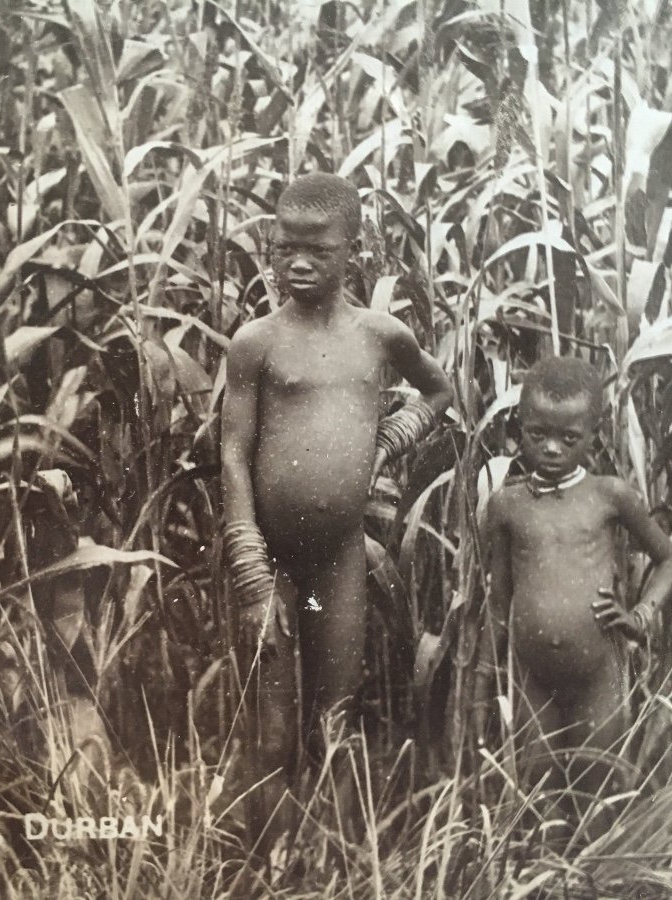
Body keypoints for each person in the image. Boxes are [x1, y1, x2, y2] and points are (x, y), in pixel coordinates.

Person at [219, 172, 453, 849]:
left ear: (354, 249)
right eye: (283, 246)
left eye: (316, 251)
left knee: (338, 719)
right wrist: (250, 572)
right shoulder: (256, 343)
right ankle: (265, 874)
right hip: (271, 560)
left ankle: (334, 871)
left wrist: (389, 440)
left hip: (342, 558)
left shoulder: (380, 336)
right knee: (272, 730)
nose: (296, 262)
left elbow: (438, 391)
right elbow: (233, 456)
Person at [472, 355, 672, 834]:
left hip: (597, 675)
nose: (550, 449)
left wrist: (642, 615)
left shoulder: (610, 496)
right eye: (536, 434)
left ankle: (596, 878)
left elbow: (670, 559)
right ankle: (545, 879)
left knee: (596, 790)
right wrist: (482, 688)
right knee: (539, 792)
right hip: (532, 680)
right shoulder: (506, 506)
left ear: (596, 434)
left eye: (569, 439)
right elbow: (498, 600)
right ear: (517, 428)